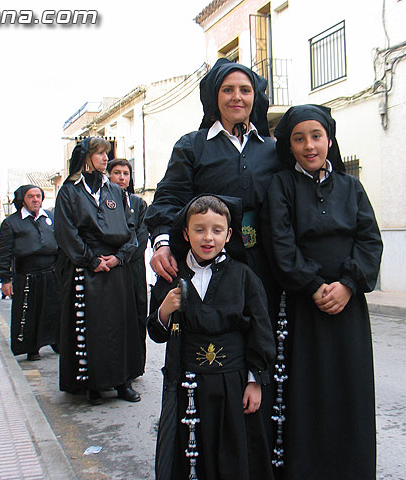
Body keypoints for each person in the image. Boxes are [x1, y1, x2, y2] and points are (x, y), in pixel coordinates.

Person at [145, 58, 283, 445]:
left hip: (260, 262)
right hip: (209, 261)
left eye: (245, 90)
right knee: (206, 352)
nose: (237, 97)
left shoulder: (272, 149)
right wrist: (160, 243)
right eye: (227, 89)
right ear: (214, 97)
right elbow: (169, 198)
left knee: (258, 345)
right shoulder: (192, 146)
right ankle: (197, 446)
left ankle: (252, 452)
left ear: (255, 98)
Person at [263, 105, 383, 479]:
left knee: (351, 391)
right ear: (289, 145)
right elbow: (280, 245)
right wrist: (314, 286)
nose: (309, 146)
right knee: (308, 392)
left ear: (329, 140)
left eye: (316, 136)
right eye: (299, 139)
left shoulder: (351, 187)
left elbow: (369, 241)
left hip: (348, 309)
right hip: (304, 306)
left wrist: (347, 286)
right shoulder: (281, 186)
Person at [148, 194, 275, 480]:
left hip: (234, 382)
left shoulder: (244, 276)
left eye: (217, 230)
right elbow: (156, 333)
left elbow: (261, 330)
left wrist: (255, 381)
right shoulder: (171, 276)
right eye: (199, 229)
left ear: (229, 234)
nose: (208, 238)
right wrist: (165, 309)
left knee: (233, 453)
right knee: (191, 453)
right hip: (187, 384)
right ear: (185, 233)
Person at [54, 137, 144, 405]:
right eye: (100, 154)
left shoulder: (116, 192)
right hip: (86, 269)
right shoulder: (70, 192)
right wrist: (91, 260)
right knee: (91, 327)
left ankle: (122, 382)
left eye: (107, 154)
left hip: (116, 269)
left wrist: (118, 258)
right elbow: (65, 231)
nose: (106, 158)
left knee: (121, 325)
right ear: (86, 158)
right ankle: (92, 384)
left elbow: (131, 231)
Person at [0, 185, 61, 361]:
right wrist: (5, 279)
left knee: (55, 309)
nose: (35, 200)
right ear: (22, 200)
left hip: (52, 272)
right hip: (27, 275)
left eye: (38, 196)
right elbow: (4, 253)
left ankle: (57, 341)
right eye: (31, 196)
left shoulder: (51, 218)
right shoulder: (12, 223)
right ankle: (32, 348)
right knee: (30, 312)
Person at [107, 159, 149, 369]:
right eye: (117, 173)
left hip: (132, 268)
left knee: (137, 315)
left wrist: (122, 257)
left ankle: (135, 365)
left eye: (126, 173)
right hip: (109, 270)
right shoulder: (103, 202)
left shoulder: (138, 203)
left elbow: (141, 237)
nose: (122, 177)